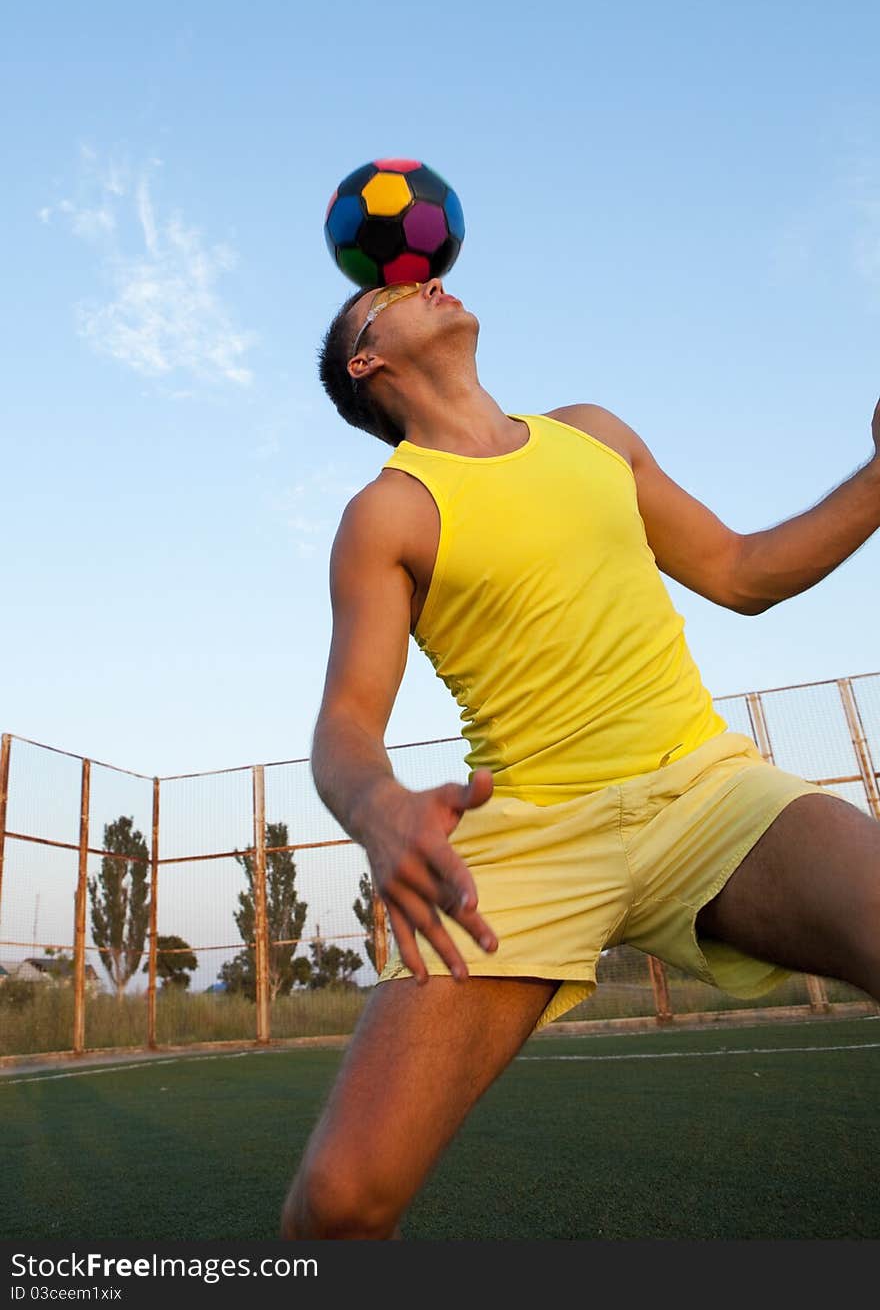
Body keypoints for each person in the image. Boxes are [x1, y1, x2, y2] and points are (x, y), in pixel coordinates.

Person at [280, 276, 880, 1240]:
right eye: (389, 293)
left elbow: (742, 572)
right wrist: (379, 807)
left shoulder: (592, 433)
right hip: (526, 842)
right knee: (340, 1204)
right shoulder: (387, 513)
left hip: (707, 791)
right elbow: (345, 723)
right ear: (368, 360)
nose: (430, 274)